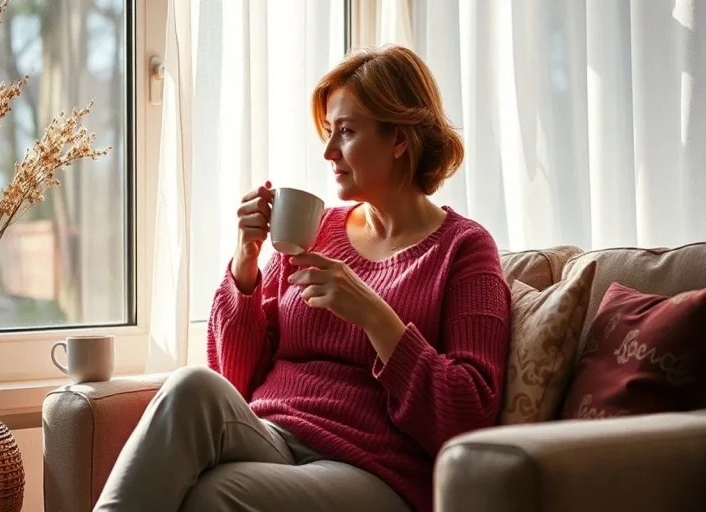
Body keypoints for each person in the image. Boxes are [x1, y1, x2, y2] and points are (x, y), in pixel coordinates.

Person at [94, 45, 511, 512]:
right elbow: (235, 377)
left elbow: (469, 416)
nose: (330, 151)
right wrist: (245, 264)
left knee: (213, 495)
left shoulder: (464, 249)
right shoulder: (319, 229)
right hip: (272, 437)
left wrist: (375, 316)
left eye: (347, 132)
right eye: (329, 132)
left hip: (374, 470)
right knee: (191, 386)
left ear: (400, 139)